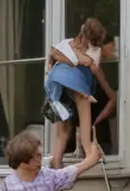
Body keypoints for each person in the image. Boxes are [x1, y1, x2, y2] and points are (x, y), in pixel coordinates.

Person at [44, 18, 116, 168]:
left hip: (58, 85)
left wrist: (66, 61)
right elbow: (92, 68)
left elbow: (53, 55)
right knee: (82, 121)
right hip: (73, 86)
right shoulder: (90, 51)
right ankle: (88, 152)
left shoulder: (67, 44)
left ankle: (57, 161)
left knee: (64, 130)